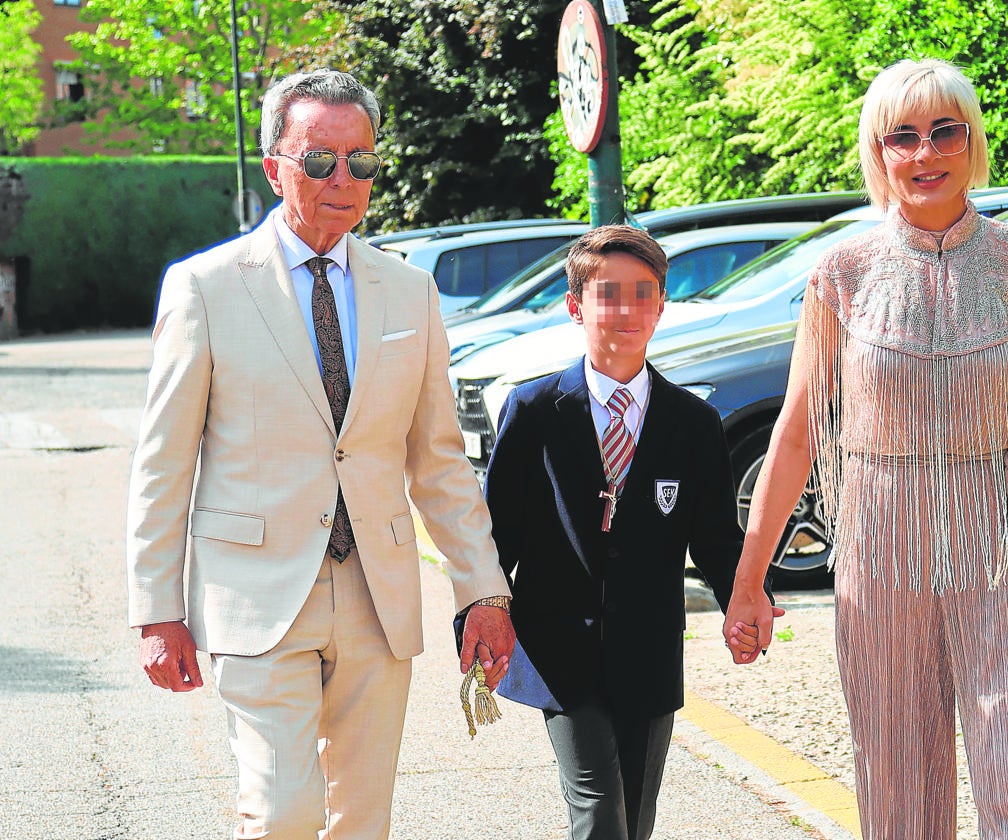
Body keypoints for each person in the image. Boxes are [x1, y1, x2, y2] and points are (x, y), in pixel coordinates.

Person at [723, 58, 1008, 839]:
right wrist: (747, 580)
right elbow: (797, 429)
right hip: (879, 550)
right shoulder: (842, 273)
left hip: (1006, 546)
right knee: (898, 783)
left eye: (945, 131)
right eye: (901, 136)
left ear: (973, 143)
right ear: (877, 153)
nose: (924, 152)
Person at [126, 68, 515, 840]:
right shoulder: (204, 287)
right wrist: (155, 610)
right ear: (275, 167)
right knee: (281, 815)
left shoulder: (411, 293)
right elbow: (163, 462)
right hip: (255, 596)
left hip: (378, 595)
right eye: (319, 160)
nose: (344, 178)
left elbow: (437, 460)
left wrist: (484, 590)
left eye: (361, 161)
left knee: (362, 821)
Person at [484, 225, 776, 840]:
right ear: (575, 306)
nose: (626, 310)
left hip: (648, 650)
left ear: (662, 306)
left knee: (635, 816)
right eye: (608, 294)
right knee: (598, 810)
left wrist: (743, 602)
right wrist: (481, 616)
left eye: (643, 294)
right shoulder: (535, 410)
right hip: (561, 648)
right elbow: (496, 531)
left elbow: (718, 536)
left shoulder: (691, 421)